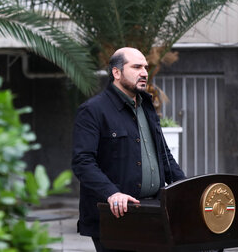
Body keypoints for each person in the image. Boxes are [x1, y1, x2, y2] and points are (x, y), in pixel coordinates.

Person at [71, 47, 185, 252]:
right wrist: (112, 194)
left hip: (151, 212)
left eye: (145, 67)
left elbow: (164, 155)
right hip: (113, 216)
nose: (144, 72)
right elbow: (83, 162)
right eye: (136, 67)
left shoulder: (147, 107)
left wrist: (186, 188)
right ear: (116, 72)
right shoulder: (93, 110)